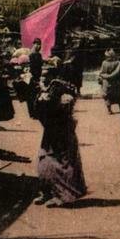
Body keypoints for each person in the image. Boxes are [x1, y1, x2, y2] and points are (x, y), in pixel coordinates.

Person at [33, 71, 87, 208]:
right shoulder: (45, 93)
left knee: (62, 166)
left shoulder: (61, 95)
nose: (43, 78)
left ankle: (61, 196)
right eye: (42, 76)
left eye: (46, 76)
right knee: (43, 163)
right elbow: (38, 114)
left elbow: (54, 114)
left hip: (62, 137)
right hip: (51, 135)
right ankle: (46, 193)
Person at [0, 54, 15, 131]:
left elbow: (10, 74)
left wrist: (6, 75)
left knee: (2, 105)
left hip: (2, 88)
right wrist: (3, 76)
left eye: (0, 59)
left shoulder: (3, 66)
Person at [98, 48, 120, 114]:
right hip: (116, 83)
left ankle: (109, 110)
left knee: (108, 97)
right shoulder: (118, 63)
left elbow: (101, 73)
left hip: (107, 83)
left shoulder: (104, 63)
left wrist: (104, 77)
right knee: (118, 97)